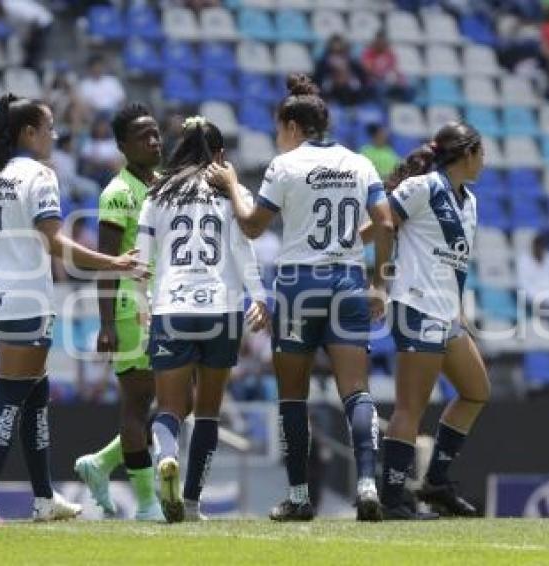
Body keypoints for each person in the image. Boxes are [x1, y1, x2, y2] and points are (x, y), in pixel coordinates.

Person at [0, 93, 147, 523]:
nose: (55, 135)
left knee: (36, 394)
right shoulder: (39, 176)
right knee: (10, 398)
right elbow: (55, 244)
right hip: (26, 301)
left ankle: (45, 498)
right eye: (50, 128)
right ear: (30, 132)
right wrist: (113, 261)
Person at [208, 75, 394, 522]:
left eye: (278, 127)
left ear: (292, 124)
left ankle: (297, 496)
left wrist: (232, 184)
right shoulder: (360, 163)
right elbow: (386, 225)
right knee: (357, 392)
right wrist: (380, 284)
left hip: (298, 285)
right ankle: (368, 483)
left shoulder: (284, 165)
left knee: (293, 397)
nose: (277, 136)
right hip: (348, 283)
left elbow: (252, 225)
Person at [140, 116, 269, 522]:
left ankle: (166, 455)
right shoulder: (232, 192)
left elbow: (142, 262)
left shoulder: (157, 194)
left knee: (169, 408)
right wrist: (260, 296)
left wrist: (146, 302)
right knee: (209, 411)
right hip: (221, 308)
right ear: (220, 156)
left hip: (172, 306)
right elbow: (245, 249)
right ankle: (193, 503)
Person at [372, 122, 488, 519]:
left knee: (475, 391)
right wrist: (380, 281)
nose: (484, 162)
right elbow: (380, 225)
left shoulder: (469, 200)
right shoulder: (423, 187)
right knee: (410, 408)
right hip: (416, 306)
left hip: (446, 312)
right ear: (467, 153)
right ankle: (390, 501)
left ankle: (435, 482)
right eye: (481, 153)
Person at [73, 104, 165, 521]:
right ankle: (147, 503)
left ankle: (102, 463)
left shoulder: (162, 185)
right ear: (123, 146)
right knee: (137, 401)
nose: (154, 140)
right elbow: (106, 262)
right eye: (144, 136)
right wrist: (107, 322)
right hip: (133, 306)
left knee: (171, 397)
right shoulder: (118, 192)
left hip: (163, 302)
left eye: (156, 133)